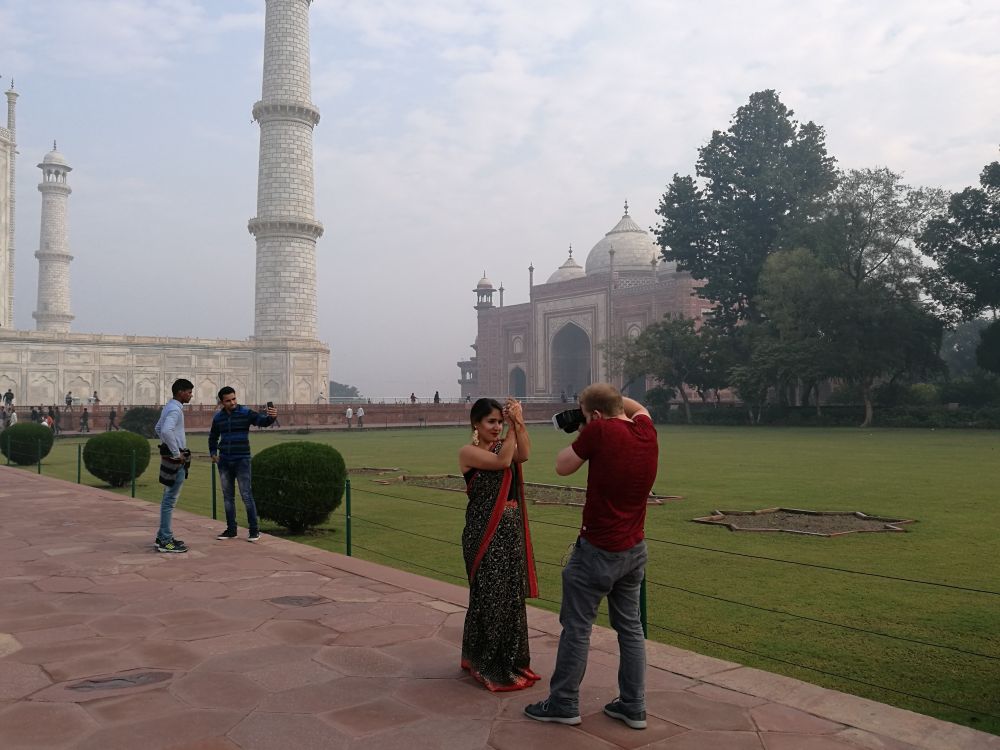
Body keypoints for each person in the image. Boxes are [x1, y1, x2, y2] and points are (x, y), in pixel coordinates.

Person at [525, 384, 658, 730]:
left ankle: (563, 702)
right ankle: (633, 705)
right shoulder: (646, 430)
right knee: (630, 628)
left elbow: (562, 466)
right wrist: (602, 405)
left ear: (596, 416)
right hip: (634, 549)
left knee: (577, 628)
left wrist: (588, 426)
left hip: (597, 550)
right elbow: (638, 408)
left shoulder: (599, 431)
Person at [459, 397, 539, 692]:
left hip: (509, 532)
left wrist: (518, 421)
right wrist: (512, 430)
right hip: (483, 533)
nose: (496, 427)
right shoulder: (469, 452)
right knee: (489, 597)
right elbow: (502, 462)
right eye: (491, 422)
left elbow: (524, 454)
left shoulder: (503, 444)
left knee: (510, 598)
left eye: (500, 422)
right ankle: (487, 661)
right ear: (476, 424)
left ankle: (511, 660)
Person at [209, 386, 276, 542]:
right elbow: (213, 436)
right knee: (228, 497)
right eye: (228, 400)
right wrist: (213, 453)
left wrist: (272, 417)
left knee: (246, 495)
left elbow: (262, 421)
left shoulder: (245, 413)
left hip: (242, 460)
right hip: (224, 461)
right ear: (222, 402)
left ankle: (254, 530)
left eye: (234, 399)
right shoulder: (218, 418)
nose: (232, 402)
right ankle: (231, 529)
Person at [154, 378, 194, 553]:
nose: (191, 395)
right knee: (169, 500)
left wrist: (168, 446)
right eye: (189, 392)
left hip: (169, 457)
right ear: (180, 392)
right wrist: (176, 452)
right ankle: (165, 540)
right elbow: (164, 430)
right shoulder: (175, 410)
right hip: (176, 460)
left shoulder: (169, 407)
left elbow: (158, 428)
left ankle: (162, 536)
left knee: (167, 498)